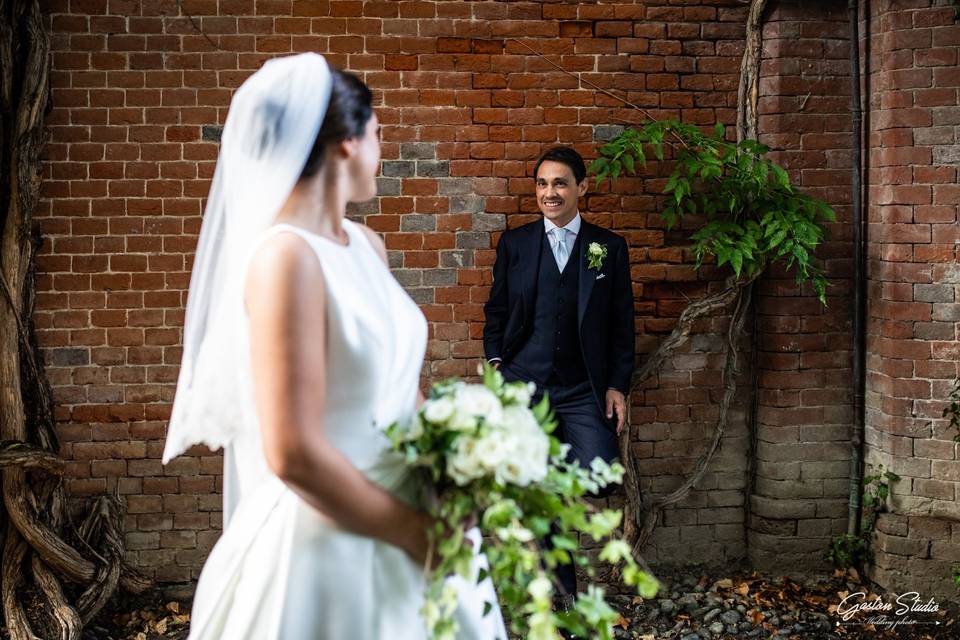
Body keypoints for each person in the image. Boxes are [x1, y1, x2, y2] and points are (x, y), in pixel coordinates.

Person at [162, 53, 506, 640]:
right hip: (333, 537)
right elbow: (292, 450)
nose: (383, 144)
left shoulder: (368, 246)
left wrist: (457, 465)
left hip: (416, 502)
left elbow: (397, 388)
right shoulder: (284, 258)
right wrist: (414, 534)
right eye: (377, 131)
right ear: (346, 141)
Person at [482, 146, 635, 600]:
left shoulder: (608, 248)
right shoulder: (516, 244)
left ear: (581, 188)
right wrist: (495, 365)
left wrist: (616, 385)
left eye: (560, 183)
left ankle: (554, 559)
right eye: (543, 184)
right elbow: (497, 311)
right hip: (525, 382)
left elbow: (622, 323)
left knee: (599, 473)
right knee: (538, 487)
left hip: (581, 387)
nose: (550, 193)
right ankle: (562, 597)